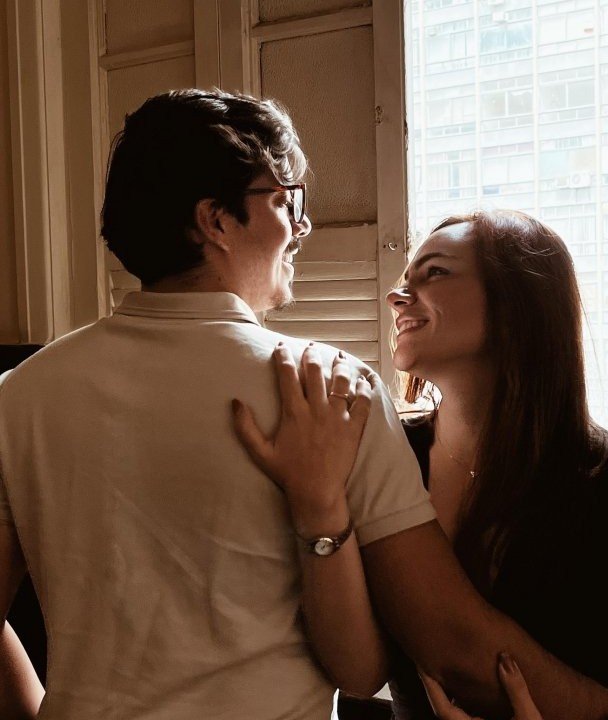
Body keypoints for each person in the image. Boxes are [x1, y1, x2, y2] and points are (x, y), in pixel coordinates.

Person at [0, 89, 437, 720]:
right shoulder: (334, 391)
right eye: (285, 201)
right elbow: (362, 673)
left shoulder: (19, 394)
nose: (302, 226)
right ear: (216, 220)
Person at [232, 210, 608, 718]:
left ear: (519, 304)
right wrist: (318, 507)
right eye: (404, 279)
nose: (397, 296)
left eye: (435, 272)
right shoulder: (382, 455)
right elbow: (357, 673)